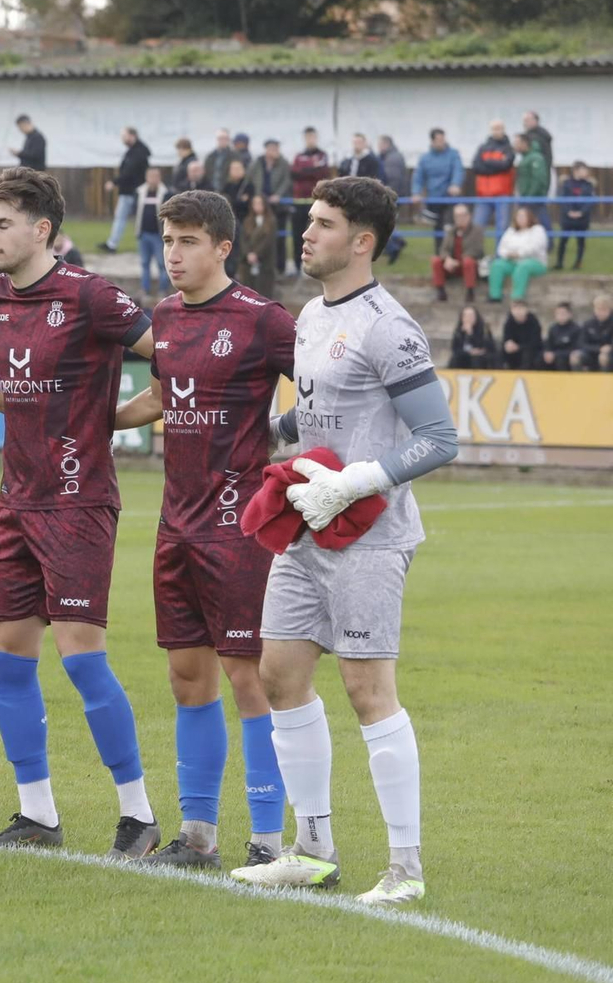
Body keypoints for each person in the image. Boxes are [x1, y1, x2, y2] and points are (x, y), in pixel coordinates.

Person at [232, 175, 458, 905]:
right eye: (309, 219)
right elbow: (316, 411)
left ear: (362, 240)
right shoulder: (308, 315)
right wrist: (264, 433)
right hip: (306, 523)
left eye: (323, 223)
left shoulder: (389, 327)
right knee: (278, 674)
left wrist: (356, 482)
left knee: (367, 689)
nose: (307, 232)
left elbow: (439, 437)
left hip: (369, 534)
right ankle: (312, 847)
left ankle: (406, 867)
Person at [0, 166, 160, 855]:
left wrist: (119, 415)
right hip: (15, 499)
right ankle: (37, 816)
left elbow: (176, 358)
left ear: (41, 228)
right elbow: (6, 382)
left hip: (79, 499)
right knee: (9, 659)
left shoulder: (91, 296)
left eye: (1, 223)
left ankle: (139, 816)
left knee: (81, 658)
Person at [112, 189, 296, 870]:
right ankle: (198, 836)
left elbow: (327, 385)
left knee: (250, 678)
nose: (175, 253)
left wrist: (291, 439)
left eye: (189, 240)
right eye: (169, 239)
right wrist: (95, 417)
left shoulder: (262, 319)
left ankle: (269, 839)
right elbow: (160, 397)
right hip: (176, 524)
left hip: (238, 526)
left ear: (223, 247)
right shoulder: (165, 316)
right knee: (189, 678)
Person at [288, 128, 331, 276]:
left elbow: (322, 173)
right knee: (297, 235)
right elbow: (294, 174)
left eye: (312, 137)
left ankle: (318, 265)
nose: (310, 140)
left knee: (318, 236)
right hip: (299, 201)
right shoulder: (299, 156)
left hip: (315, 202)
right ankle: (297, 265)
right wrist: (311, 171)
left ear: (316, 137)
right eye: (307, 137)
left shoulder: (322, 155)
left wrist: (306, 172)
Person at [488, 205, 549, 303]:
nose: (520, 219)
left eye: (523, 216)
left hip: (535, 262)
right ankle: (495, 296)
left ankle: (517, 297)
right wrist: (507, 254)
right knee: (497, 265)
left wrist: (519, 254)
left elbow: (536, 247)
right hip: (512, 261)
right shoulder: (511, 231)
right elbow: (501, 248)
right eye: (518, 216)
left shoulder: (538, 230)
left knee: (522, 267)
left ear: (529, 217)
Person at [102, 127, 149, 252]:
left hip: (132, 191)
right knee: (123, 218)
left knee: (133, 219)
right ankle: (112, 243)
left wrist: (114, 182)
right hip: (130, 190)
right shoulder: (134, 151)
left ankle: (113, 244)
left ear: (133, 136)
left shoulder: (138, 152)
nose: (123, 139)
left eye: (125, 136)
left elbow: (130, 172)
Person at [413, 129, 463, 246]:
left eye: (443, 139)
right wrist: (416, 192)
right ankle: (440, 253)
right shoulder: (425, 158)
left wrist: (455, 184)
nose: (441, 142)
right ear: (432, 141)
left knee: (452, 226)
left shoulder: (453, 154)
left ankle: (455, 252)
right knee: (438, 228)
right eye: (438, 140)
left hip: (450, 198)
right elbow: (418, 176)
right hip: (434, 198)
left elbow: (458, 170)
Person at [429, 203, 483, 304]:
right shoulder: (451, 231)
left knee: (468, 262)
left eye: (463, 215)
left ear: (468, 216)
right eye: (457, 216)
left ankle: (470, 293)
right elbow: (443, 249)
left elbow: (477, 250)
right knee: (436, 260)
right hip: (452, 266)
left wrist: (458, 262)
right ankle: (441, 292)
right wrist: (447, 259)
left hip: (468, 265)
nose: (460, 218)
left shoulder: (477, 230)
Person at [468, 120, 515, 231]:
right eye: (494, 128)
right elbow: (476, 167)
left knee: (502, 228)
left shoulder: (508, 148)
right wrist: (496, 164)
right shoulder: (482, 147)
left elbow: (506, 165)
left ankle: (501, 249)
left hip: (502, 194)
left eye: (499, 128)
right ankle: (475, 249)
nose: (497, 131)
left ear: (503, 130)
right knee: (476, 228)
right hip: (483, 194)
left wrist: (487, 162)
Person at [135, 166, 170, 298]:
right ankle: (145, 289)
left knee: (162, 264)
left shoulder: (165, 193)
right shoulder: (140, 192)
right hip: (143, 234)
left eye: (155, 176)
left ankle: (163, 289)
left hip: (158, 235)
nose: (153, 179)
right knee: (144, 264)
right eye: (150, 176)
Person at [555, 162, 595, 269]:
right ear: (576, 171)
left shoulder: (588, 185)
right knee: (563, 241)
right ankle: (559, 263)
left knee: (581, 242)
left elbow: (590, 201)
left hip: (582, 219)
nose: (586, 172)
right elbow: (562, 199)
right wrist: (569, 211)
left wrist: (581, 212)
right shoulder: (566, 184)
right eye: (584, 169)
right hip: (567, 218)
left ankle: (578, 263)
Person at [240, 194, 279, 300]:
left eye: (259, 203)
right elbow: (243, 240)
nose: (257, 206)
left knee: (264, 292)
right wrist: (248, 254)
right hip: (248, 262)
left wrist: (257, 254)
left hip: (265, 262)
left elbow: (268, 241)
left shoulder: (271, 221)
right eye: (254, 204)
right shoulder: (247, 221)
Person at [511, 131, 550, 227]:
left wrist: (530, 196)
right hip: (526, 198)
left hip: (534, 199)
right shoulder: (526, 158)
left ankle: (548, 242)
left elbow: (539, 179)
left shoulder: (535, 158)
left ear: (524, 143)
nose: (514, 146)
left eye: (517, 143)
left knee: (542, 224)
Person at [499, 300, 542, 371]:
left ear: (526, 310)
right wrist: (508, 344)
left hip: (530, 349)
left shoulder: (533, 322)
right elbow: (506, 338)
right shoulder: (509, 322)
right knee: (501, 352)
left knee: (527, 354)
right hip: (514, 350)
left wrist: (519, 347)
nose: (518, 312)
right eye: (515, 309)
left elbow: (536, 342)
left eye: (520, 308)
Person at [542, 302, 580, 371]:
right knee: (541, 358)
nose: (560, 316)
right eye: (558, 314)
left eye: (563, 314)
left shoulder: (576, 329)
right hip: (554, 354)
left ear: (570, 315)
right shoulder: (553, 328)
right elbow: (548, 344)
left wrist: (556, 354)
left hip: (566, 356)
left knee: (560, 359)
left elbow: (575, 348)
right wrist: (547, 352)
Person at [579, 294, 613, 372]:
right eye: (598, 309)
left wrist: (609, 348)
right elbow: (582, 343)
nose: (600, 312)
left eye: (604, 309)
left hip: (609, 354)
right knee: (576, 356)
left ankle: (606, 382)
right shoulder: (588, 324)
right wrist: (598, 349)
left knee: (604, 357)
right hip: (592, 352)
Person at [376, 135, 408, 201]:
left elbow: (393, 179)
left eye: (380, 144)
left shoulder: (392, 159)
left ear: (386, 144)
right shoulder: (385, 156)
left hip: (392, 194)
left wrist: (388, 195)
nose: (378, 147)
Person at [522, 110, 553, 176]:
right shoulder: (530, 134)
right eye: (524, 121)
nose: (524, 123)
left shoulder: (540, 135)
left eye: (527, 120)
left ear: (535, 120)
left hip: (540, 169)